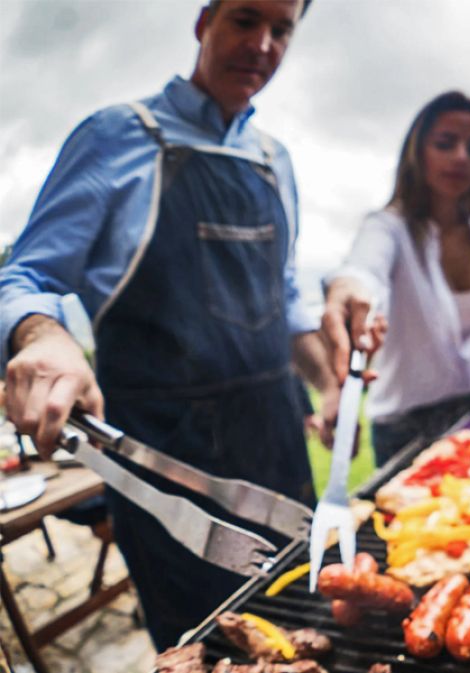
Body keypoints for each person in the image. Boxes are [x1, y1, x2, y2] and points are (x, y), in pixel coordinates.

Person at [0, 0, 378, 649]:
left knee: (311, 626)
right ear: (204, 22)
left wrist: (328, 380)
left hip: (276, 441)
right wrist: (42, 336)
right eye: (244, 19)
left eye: (281, 29)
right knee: (209, 647)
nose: (261, 44)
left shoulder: (272, 159)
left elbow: (281, 297)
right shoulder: (117, 136)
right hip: (168, 463)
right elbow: (23, 276)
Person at [321, 91, 470, 467]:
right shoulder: (387, 228)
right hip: (406, 429)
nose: (461, 156)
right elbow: (362, 272)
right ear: (418, 152)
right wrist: (347, 292)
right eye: (446, 143)